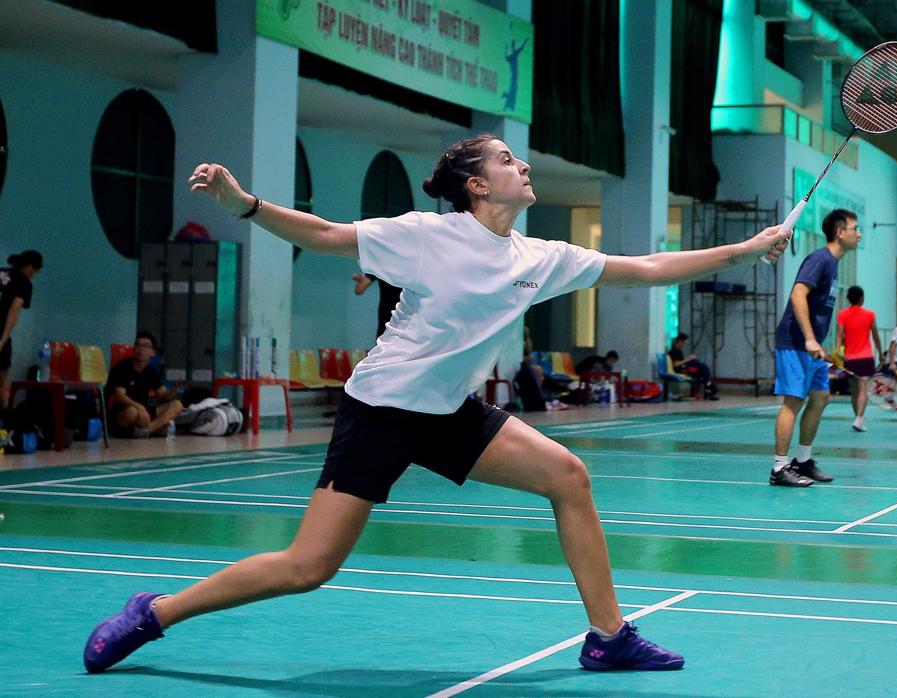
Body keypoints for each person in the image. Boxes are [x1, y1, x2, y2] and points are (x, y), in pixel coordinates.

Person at [83, 133, 789, 674]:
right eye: (510, 161)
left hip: (449, 412)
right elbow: (328, 236)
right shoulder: (423, 236)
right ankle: (155, 613)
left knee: (567, 476)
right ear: (478, 184)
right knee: (309, 567)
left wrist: (744, 249)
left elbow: (646, 269)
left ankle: (608, 638)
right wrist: (246, 205)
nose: (524, 168)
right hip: (383, 408)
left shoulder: (537, 257)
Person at [769, 209, 860, 487]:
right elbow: (798, 293)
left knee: (820, 398)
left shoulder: (833, 265)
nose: (859, 234)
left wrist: (818, 342)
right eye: (855, 228)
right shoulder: (819, 259)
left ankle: (803, 460)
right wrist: (809, 338)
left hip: (812, 345)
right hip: (795, 341)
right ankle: (779, 467)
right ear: (840, 232)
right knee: (793, 401)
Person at [105, 331, 185, 437]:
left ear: (152, 352)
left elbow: (165, 396)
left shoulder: (151, 371)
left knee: (177, 405)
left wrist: (175, 388)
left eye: (146, 346)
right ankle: (152, 428)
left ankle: (147, 431)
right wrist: (140, 408)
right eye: (138, 345)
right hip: (122, 412)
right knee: (132, 412)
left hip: (143, 412)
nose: (141, 349)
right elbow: (119, 396)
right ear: (134, 349)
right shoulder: (123, 367)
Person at [835, 285, 884, 433]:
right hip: (865, 357)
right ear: (861, 298)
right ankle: (859, 419)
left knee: (855, 391)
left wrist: (838, 351)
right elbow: (875, 335)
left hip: (849, 359)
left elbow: (839, 334)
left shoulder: (842, 314)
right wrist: (881, 352)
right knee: (863, 389)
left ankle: (857, 418)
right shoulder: (870, 315)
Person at [0, 250, 43, 405]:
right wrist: (3, 339)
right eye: (35, 271)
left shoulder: (2, 272)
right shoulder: (24, 283)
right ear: (31, 267)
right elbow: (13, 310)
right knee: (2, 380)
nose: (34, 275)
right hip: (1, 331)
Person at [351, 272, 404, 340]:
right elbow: (359, 289)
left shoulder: (383, 265)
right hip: (411, 317)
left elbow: (359, 289)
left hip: (389, 319)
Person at [668, 332, 717, 399]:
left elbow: (680, 362)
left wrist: (690, 359)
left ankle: (707, 388)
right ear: (680, 341)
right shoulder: (675, 351)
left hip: (683, 368)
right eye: (683, 342)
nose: (684, 344)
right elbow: (676, 364)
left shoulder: (677, 350)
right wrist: (688, 359)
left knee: (700, 369)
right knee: (702, 366)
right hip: (681, 370)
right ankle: (709, 387)